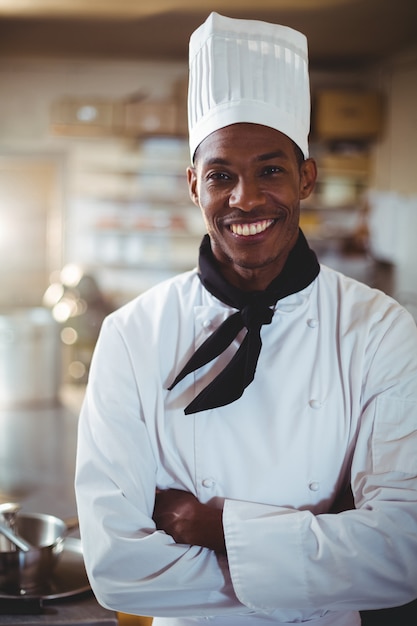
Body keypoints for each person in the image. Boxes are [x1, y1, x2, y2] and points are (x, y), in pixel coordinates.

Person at [75, 12, 417, 626]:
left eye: (271, 170)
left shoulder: (380, 331)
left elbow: (403, 556)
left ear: (307, 177)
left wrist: (203, 525)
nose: (247, 199)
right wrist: (323, 550)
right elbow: (117, 571)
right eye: (221, 176)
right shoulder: (132, 335)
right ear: (193, 187)